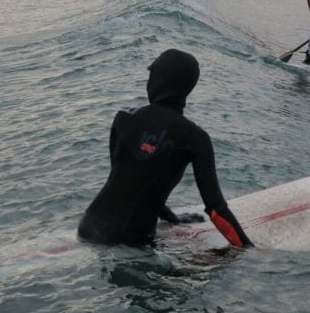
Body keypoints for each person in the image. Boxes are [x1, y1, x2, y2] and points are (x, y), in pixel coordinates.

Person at [77, 49, 252, 248]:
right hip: (131, 241)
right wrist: (250, 250)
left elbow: (127, 181)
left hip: (87, 227)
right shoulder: (195, 137)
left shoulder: (123, 117)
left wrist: (170, 216)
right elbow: (216, 210)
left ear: (159, 80)